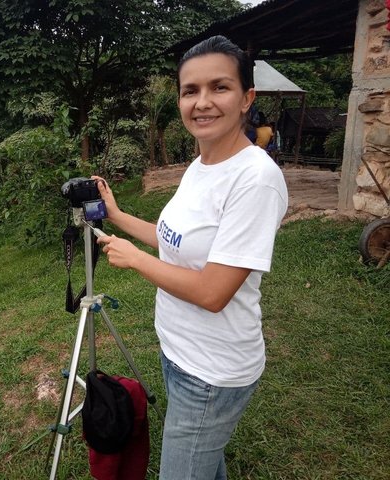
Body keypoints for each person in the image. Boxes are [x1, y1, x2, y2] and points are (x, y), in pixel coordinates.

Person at [92, 35, 288, 480]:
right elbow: (172, 241)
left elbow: (214, 292)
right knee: (204, 463)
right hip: (179, 352)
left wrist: (135, 261)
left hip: (212, 374)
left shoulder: (255, 179)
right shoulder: (200, 164)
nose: (202, 102)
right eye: (189, 91)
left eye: (219, 87)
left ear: (246, 99)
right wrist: (118, 216)